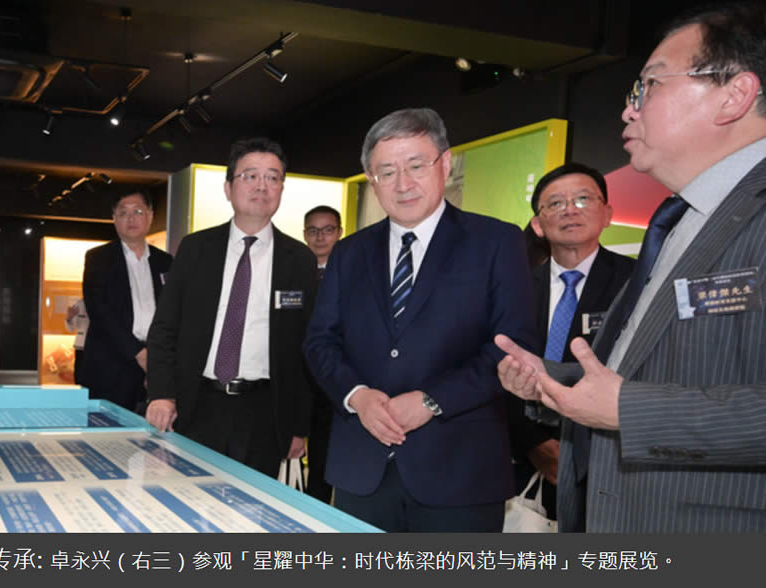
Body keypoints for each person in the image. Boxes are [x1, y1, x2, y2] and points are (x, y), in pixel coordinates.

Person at [496, 1, 766, 533]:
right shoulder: (681, 220)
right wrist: (553, 379)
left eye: (648, 86)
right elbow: (653, 371)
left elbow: (631, 399)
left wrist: (627, 410)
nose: (627, 110)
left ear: (734, 95)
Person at [304, 108, 537, 532]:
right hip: (363, 466)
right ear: (372, 180)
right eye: (387, 172)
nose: (403, 183)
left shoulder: (496, 242)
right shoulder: (348, 253)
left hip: (460, 472)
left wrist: (432, 399)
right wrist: (357, 396)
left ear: (444, 163)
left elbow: (511, 346)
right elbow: (320, 342)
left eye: (416, 166)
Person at [146, 137, 319, 478]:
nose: (262, 186)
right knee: (188, 497)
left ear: (282, 189)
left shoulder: (299, 259)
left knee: (252, 505)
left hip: (265, 412)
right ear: (228, 188)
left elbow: (305, 348)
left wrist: (298, 426)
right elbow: (165, 327)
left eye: (272, 177)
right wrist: (162, 394)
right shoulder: (195, 249)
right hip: (196, 404)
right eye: (250, 175)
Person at [509, 163, 634, 520]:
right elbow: (494, 366)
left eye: (582, 199)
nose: (569, 210)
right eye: (555, 203)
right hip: (524, 461)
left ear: (607, 214)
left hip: (607, 460)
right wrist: (532, 442)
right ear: (538, 224)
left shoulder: (638, 281)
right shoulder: (513, 287)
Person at [81, 190, 172, 412]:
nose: (131, 218)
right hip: (111, 366)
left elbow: (172, 314)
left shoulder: (166, 262)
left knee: (152, 431)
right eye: (123, 213)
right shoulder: (98, 259)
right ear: (114, 219)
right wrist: (139, 354)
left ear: (150, 216)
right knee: (106, 429)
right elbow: (100, 312)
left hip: (155, 366)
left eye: (138, 211)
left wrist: (157, 360)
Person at [302, 205, 343, 503]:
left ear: (339, 232)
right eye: (313, 231)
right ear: (305, 234)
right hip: (295, 378)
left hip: (332, 381)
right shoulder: (291, 270)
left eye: (327, 230)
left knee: (323, 460)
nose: (320, 237)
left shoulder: (352, 273)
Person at [65, 298, 89, 386]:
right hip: (81, 347)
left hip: (97, 346)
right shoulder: (79, 305)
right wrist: (69, 318)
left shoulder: (102, 303)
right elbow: (70, 328)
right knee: (79, 376)